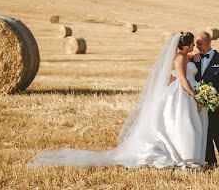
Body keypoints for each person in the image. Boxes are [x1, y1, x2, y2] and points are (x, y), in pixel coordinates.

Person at [28, 32, 208, 169]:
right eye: (192, 44)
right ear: (186, 46)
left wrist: (192, 59)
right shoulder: (182, 57)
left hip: (174, 92)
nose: (194, 46)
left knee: (175, 124)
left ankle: (182, 155)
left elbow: (172, 73)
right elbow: (183, 79)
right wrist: (194, 94)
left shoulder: (178, 56)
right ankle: (185, 157)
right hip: (181, 93)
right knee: (182, 124)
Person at [192, 31, 219, 169]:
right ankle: (210, 161)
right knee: (204, 132)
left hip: (215, 104)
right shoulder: (194, 59)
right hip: (197, 103)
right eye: (196, 44)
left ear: (209, 42)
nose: (197, 47)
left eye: (200, 44)